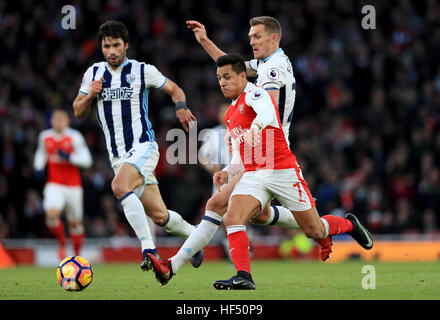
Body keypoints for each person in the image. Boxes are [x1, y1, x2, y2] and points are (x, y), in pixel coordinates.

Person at [147, 54, 373, 289]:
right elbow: (241, 154)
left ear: (243, 77)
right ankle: (242, 275)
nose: (222, 82)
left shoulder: (255, 94)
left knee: (313, 229)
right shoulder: (230, 114)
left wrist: (256, 126)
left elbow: (267, 111)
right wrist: (228, 171)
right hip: (254, 173)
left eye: (227, 77)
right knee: (232, 216)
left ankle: (349, 225)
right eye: (219, 78)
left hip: (282, 170)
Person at [72, 20, 203, 271]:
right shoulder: (93, 74)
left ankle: (148, 250)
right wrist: (90, 94)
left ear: (126, 45)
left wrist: (181, 108)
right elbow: (77, 111)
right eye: (106, 46)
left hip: (143, 147)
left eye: (116, 45)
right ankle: (196, 237)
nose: (111, 51)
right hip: (118, 156)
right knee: (161, 216)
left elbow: (175, 89)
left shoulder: (142, 71)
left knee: (119, 186)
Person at [34, 108, 92, 260]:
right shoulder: (45, 136)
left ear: (67, 121)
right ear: (51, 121)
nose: (57, 122)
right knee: (51, 215)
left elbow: (87, 160)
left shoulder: (74, 137)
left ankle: (77, 255)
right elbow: (41, 153)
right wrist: (38, 167)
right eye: (55, 119)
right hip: (54, 184)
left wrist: (69, 157)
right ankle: (62, 243)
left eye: (61, 119)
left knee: (75, 224)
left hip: (73, 186)